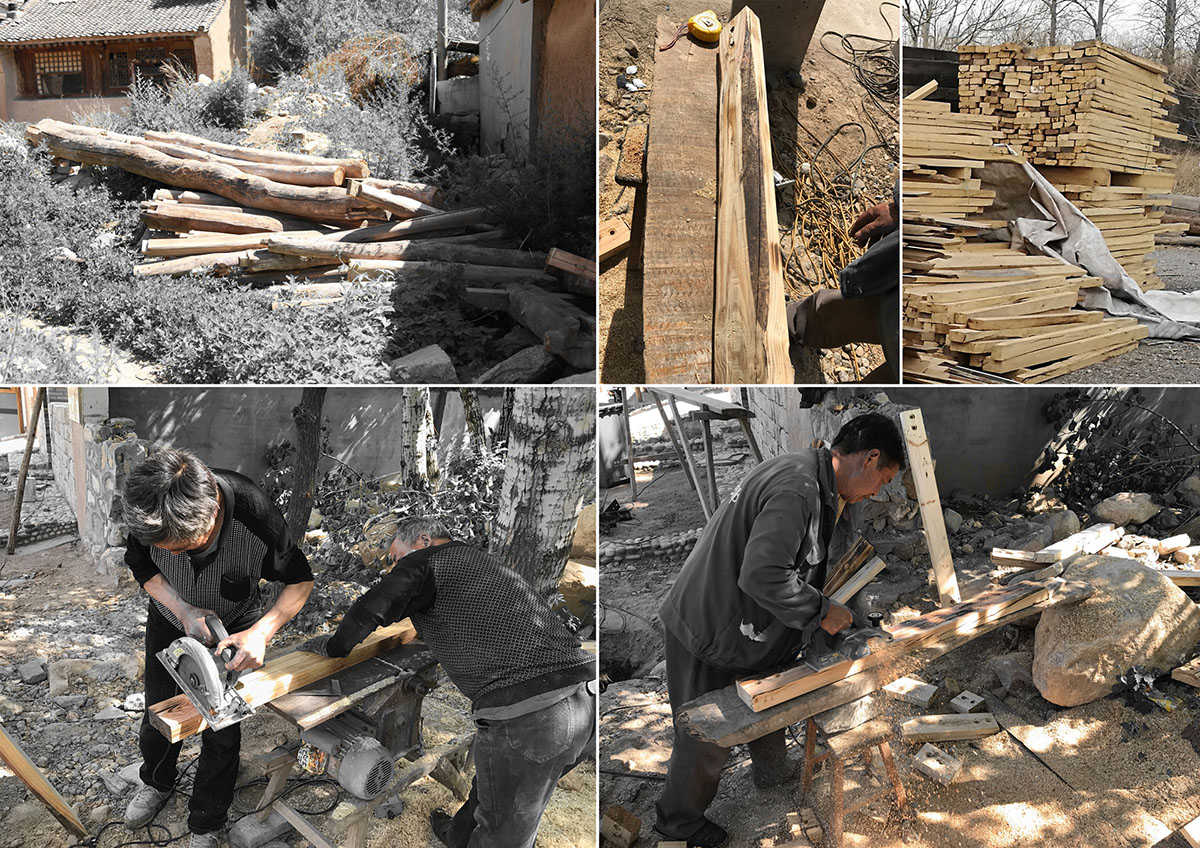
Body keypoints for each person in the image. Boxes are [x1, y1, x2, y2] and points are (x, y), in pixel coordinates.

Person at [654, 413, 906, 847]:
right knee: (706, 735)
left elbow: (808, 562)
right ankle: (678, 825)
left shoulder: (817, 481)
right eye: (881, 482)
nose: (875, 493)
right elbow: (763, 575)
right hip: (709, 627)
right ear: (869, 457)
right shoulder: (799, 489)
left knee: (765, 693)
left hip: (743, 624)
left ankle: (772, 774)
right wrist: (823, 611)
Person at [299, 516, 597, 848]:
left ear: (424, 540)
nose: (396, 567)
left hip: (534, 717)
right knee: (495, 792)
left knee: (504, 836)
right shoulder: (477, 560)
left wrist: (334, 647)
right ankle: (457, 837)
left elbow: (374, 606)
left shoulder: (427, 562)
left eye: (397, 558)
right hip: (585, 697)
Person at [120, 448, 314, 848]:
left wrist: (262, 633)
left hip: (236, 625)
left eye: (180, 548)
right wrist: (182, 608)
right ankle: (156, 782)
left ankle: (207, 819)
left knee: (222, 723)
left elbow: (300, 580)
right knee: (158, 708)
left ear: (210, 517)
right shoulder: (152, 508)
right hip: (169, 618)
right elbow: (143, 567)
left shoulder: (256, 517)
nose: (171, 556)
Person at [787, 183, 900, 382]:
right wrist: (902, 207)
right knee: (831, 312)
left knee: (881, 393)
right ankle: (788, 323)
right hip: (901, 295)